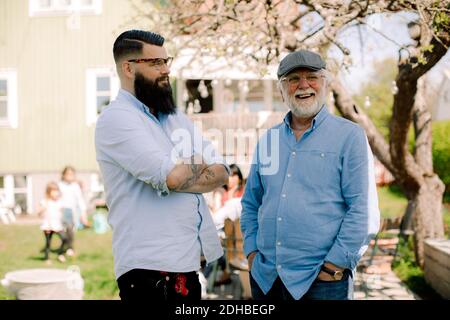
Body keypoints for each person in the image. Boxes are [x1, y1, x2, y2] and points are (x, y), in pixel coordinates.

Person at [95, 30, 229, 302]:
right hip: (147, 271)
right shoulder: (117, 119)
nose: (166, 69)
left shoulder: (173, 116)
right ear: (129, 68)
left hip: (188, 265)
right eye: (156, 63)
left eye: (166, 61)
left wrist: (187, 169)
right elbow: (171, 177)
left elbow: (222, 172)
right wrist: (198, 161)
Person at [240, 49, 380, 300]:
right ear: (282, 90)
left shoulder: (350, 136)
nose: (303, 85)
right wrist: (251, 252)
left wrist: (334, 265)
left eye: (312, 77)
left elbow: (362, 208)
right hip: (266, 278)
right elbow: (251, 203)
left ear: (325, 83)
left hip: (322, 281)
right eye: (293, 79)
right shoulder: (268, 140)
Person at [58, 166, 88, 257]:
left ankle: (70, 248)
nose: (70, 176)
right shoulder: (59, 185)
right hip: (61, 211)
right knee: (62, 232)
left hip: (71, 211)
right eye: (68, 174)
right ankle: (64, 247)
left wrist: (83, 214)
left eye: (72, 174)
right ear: (63, 175)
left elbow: (80, 200)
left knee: (70, 230)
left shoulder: (75, 186)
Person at [36, 182, 68, 263]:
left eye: (57, 191)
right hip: (48, 225)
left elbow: (61, 213)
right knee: (48, 242)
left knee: (64, 238)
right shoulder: (45, 201)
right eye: (53, 191)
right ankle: (47, 258)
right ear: (49, 192)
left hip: (57, 225)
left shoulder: (60, 202)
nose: (55, 193)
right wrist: (43, 208)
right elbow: (39, 213)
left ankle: (60, 254)